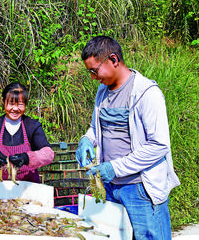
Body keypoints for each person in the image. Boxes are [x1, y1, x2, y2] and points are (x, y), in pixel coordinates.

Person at [75, 36, 180, 239]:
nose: (93, 77)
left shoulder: (146, 93)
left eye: (95, 71)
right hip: (112, 187)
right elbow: (95, 128)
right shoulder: (102, 91)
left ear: (113, 60)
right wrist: (86, 139)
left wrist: (116, 167)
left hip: (140, 189)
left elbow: (159, 145)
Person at [0, 82, 54, 183]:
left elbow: (48, 153)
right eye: (11, 104)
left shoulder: (32, 126)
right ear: (3, 101)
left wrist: (27, 158)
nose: (15, 109)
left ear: (26, 104)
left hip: (28, 187)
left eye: (20, 104)